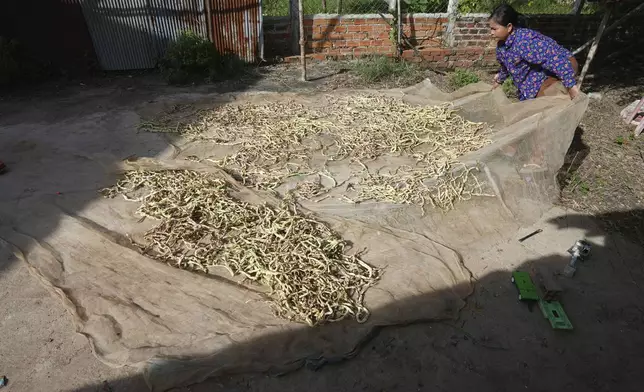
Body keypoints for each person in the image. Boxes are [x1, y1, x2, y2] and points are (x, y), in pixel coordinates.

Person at [489, 4, 580, 101]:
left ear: (509, 27)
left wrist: (571, 86)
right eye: (490, 28)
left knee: (548, 106)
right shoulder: (502, 47)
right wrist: (499, 80)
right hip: (532, 79)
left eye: (494, 29)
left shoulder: (524, 41)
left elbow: (553, 59)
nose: (491, 32)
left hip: (561, 66)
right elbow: (505, 66)